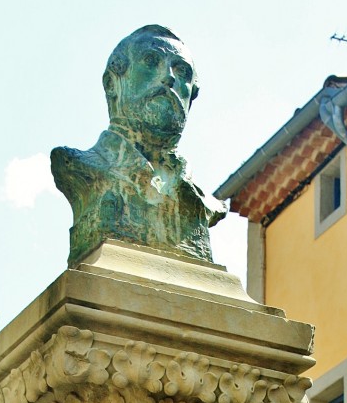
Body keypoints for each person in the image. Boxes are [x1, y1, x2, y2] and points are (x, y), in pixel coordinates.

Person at [51, 24, 226, 267]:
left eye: (182, 71)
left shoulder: (202, 200)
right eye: (151, 61)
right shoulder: (78, 166)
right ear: (112, 84)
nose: (169, 77)